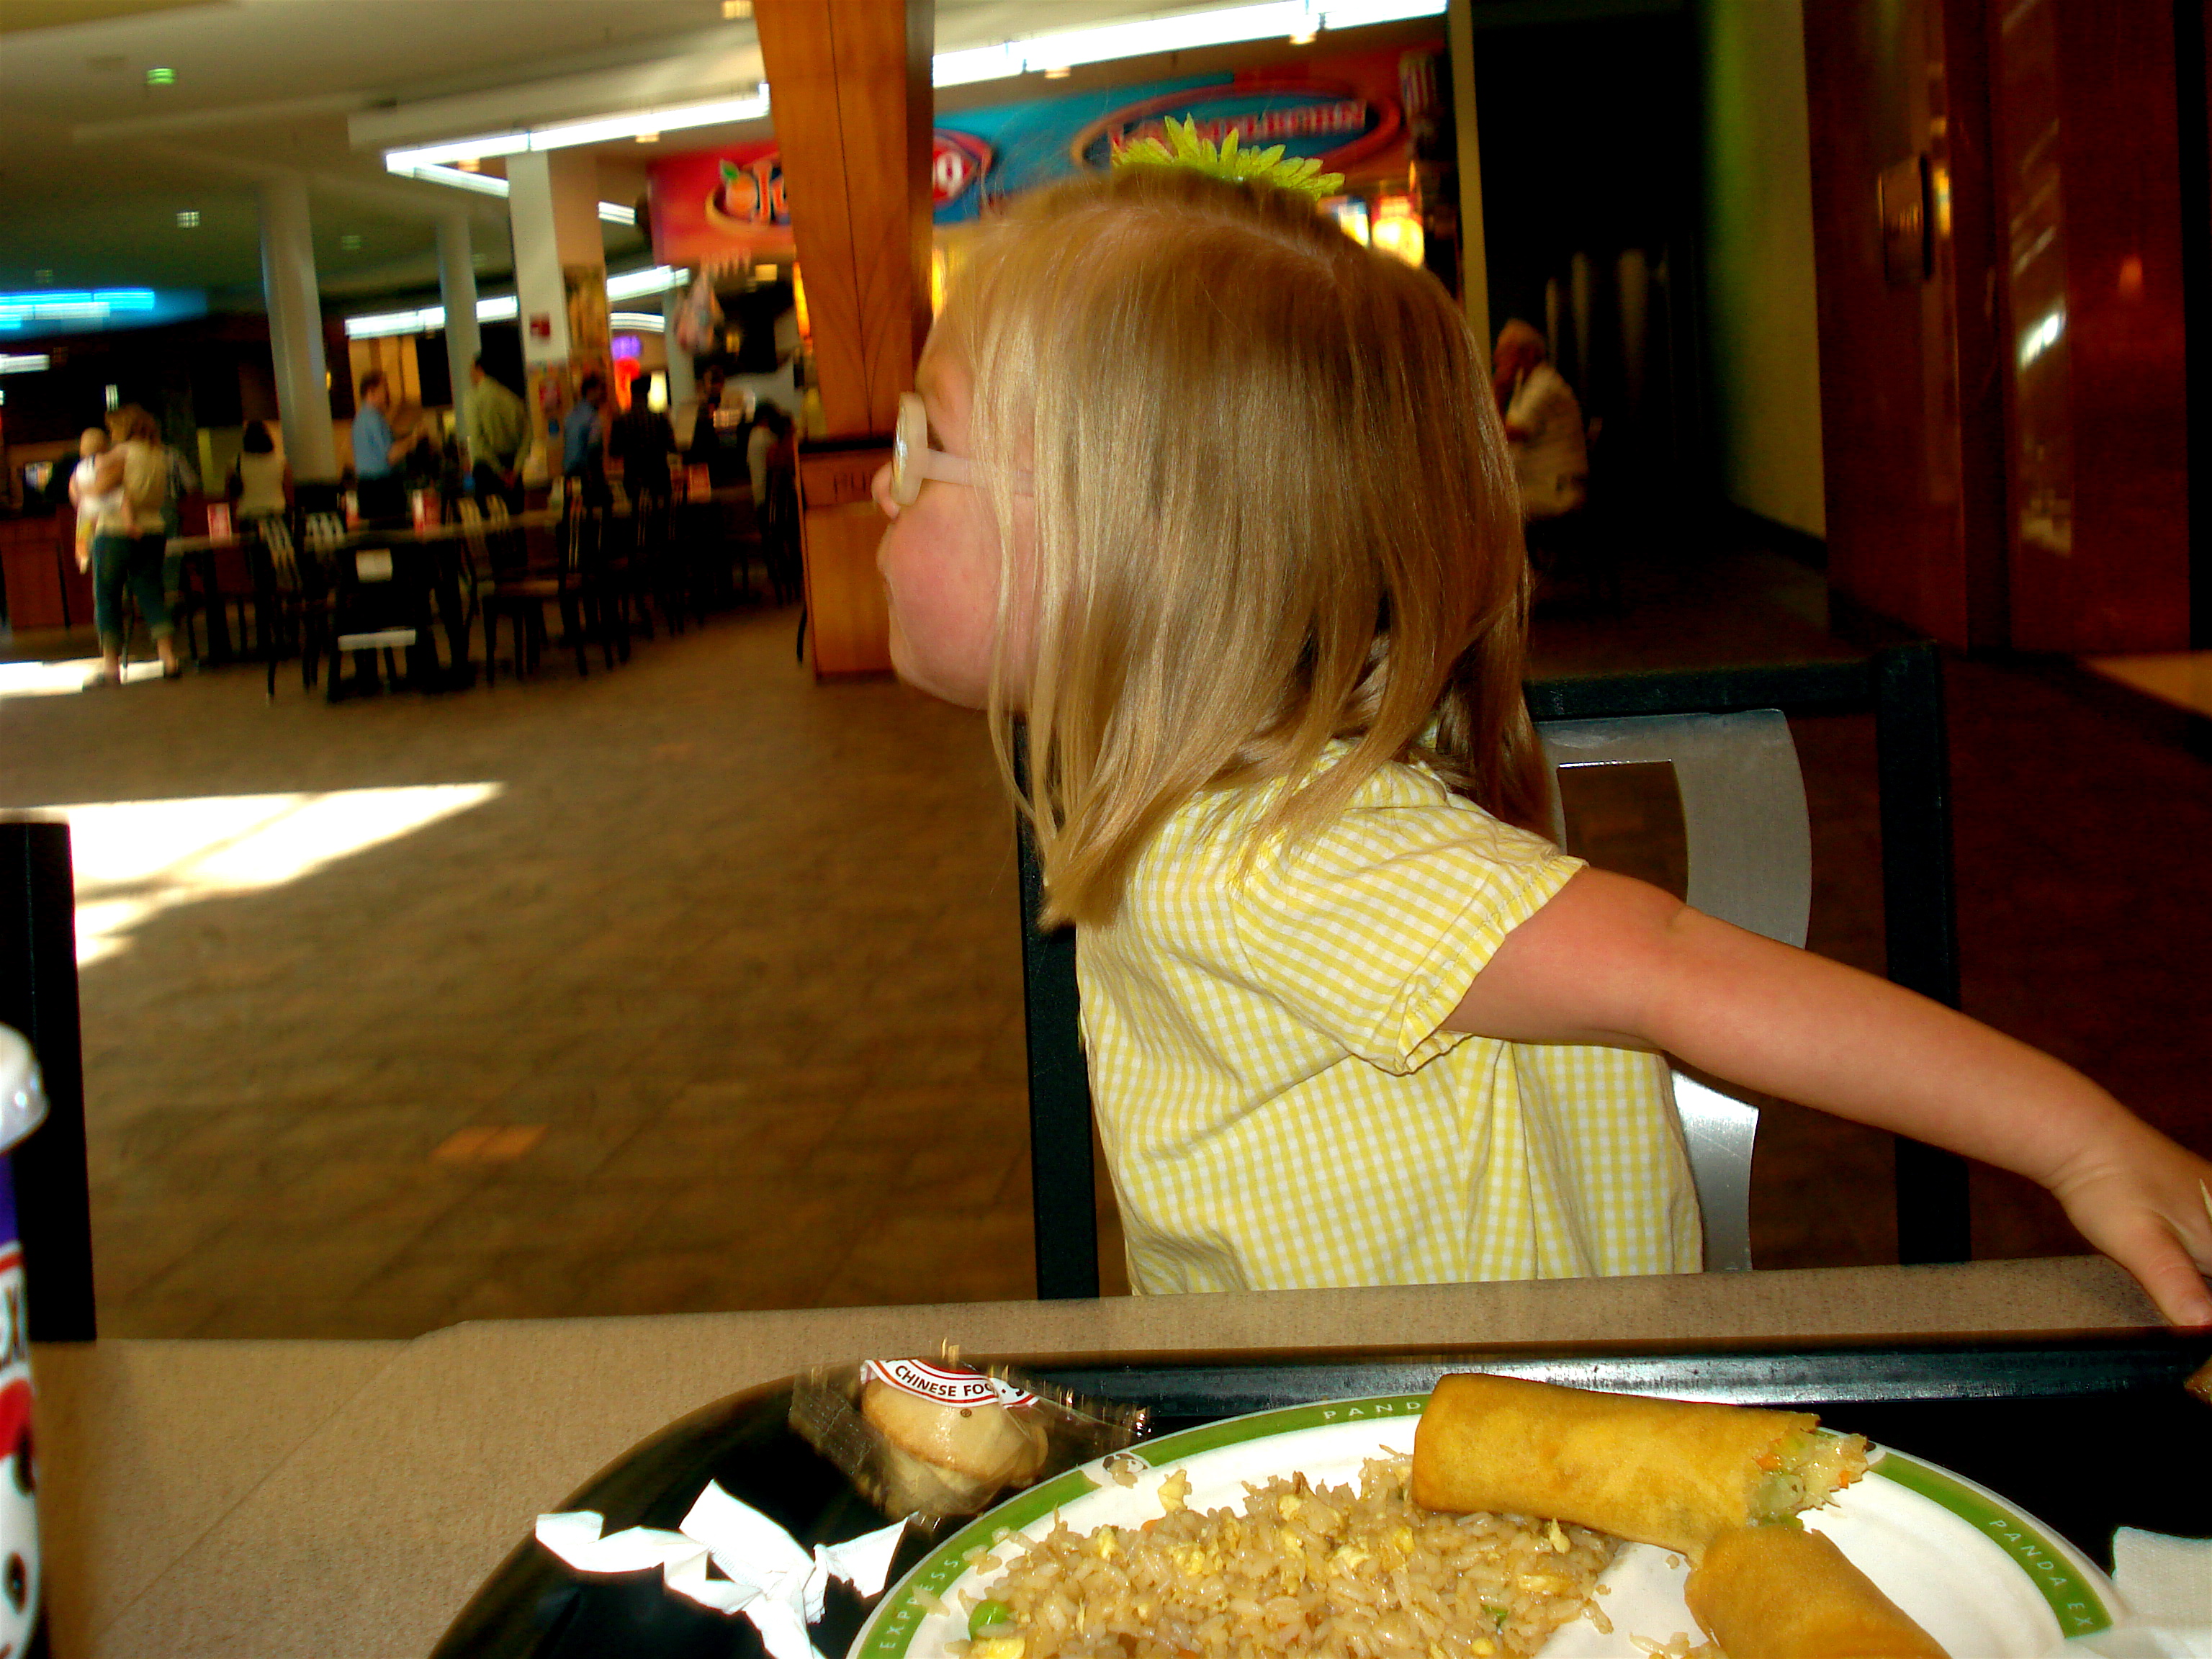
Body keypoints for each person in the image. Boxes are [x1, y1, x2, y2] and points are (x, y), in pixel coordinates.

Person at [867, 162, 2212, 1323]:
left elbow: (1670, 966)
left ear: (1127, 543)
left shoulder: (1265, 857)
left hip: (1435, 1477)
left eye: (929, 439)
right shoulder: (1220, 800)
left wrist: (2077, 1141)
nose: (882, 480)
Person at [84, 404, 179, 684]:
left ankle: (110, 667)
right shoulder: (159, 454)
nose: (111, 433)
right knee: (152, 593)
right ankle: (169, 658)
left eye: (113, 428)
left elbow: (102, 487)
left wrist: (80, 488)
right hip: (153, 529)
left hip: (115, 530)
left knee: (108, 597)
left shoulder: (121, 453)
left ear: (123, 427)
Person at [1493, 319, 1588, 528]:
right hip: (1539, 484)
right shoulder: (1525, 384)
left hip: (1555, 490)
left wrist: (1499, 391)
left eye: (1506, 351)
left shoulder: (1544, 385)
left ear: (1529, 353)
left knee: (1490, 511)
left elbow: (1505, 435)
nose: (1497, 358)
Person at [463, 356, 530, 514]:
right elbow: (527, 437)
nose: (469, 374)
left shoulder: (473, 398)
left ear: (480, 369)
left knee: (491, 524)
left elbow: (478, 439)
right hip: (512, 470)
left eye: (471, 369)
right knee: (517, 521)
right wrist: (515, 471)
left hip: (487, 469)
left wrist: (499, 471)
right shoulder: (513, 398)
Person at [352, 370, 414, 523]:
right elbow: (391, 456)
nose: (388, 394)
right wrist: (413, 440)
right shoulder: (374, 420)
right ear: (371, 392)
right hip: (382, 490)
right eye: (384, 388)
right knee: (393, 533)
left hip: (366, 489)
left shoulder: (360, 419)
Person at [560, 371, 611, 506]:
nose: (604, 393)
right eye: (602, 389)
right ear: (591, 391)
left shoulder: (570, 415)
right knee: (605, 504)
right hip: (588, 474)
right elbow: (594, 447)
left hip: (569, 473)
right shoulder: (593, 418)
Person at [228, 420, 289, 526]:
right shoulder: (281, 461)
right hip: (276, 511)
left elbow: (229, 493)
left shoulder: (236, 462)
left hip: (246, 513)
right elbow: (288, 491)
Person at [66, 426, 109, 573]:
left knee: (85, 538)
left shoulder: (78, 468)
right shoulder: (105, 462)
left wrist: (79, 505)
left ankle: (83, 558)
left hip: (86, 511)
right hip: (105, 511)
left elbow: (73, 490)